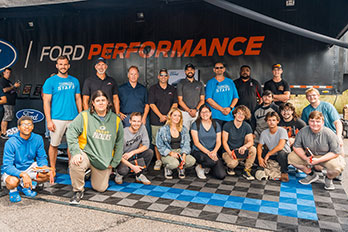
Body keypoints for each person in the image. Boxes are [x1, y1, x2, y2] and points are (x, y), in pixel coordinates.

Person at [66, 90, 123, 204]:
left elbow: (119, 142)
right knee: (75, 163)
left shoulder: (116, 120)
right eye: (98, 100)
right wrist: (76, 152)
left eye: (103, 100)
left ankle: (89, 173)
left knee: (100, 188)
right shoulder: (84, 115)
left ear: (108, 102)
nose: (101, 103)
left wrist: (115, 162)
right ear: (93, 103)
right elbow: (71, 131)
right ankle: (78, 190)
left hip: (102, 159)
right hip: (86, 153)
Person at [42, 55, 82, 174]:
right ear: (57, 65)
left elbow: (78, 99)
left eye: (65, 64)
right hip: (57, 119)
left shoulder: (75, 81)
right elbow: (46, 102)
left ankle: (72, 168)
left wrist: (80, 116)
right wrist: (49, 120)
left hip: (73, 119)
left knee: (72, 145)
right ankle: (53, 168)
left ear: (68, 65)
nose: (63, 66)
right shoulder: (50, 81)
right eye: (60, 64)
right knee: (54, 145)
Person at [288, 111, 345, 190]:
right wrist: (305, 158)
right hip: (310, 156)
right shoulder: (303, 131)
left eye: (318, 121)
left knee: (337, 167)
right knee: (291, 158)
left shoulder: (329, 133)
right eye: (312, 121)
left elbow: (335, 152)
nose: (315, 124)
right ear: (308, 121)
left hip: (326, 157)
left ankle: (328, 179)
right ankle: (311, 174)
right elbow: (296, 147)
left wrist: (319, 160)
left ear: (323, 122)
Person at [1, 116, 51, 203]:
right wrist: (23, 174)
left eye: (29, 124)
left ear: (32, 127)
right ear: (19, 127)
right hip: (13, 169)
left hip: (29, 167)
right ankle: (13, 190)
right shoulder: (11, 142)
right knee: (13, 182)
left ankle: (24, 186)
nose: (27, 127)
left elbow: (41, 157)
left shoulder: (38, 138)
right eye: (23, 125)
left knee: (48, 174)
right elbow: (7, 166)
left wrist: (43, 167)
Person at [148, 68, 178, 171]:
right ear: (158, 76)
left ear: (168, 77)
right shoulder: (153, 89)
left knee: (169, 141)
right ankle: (159, 160)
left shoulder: (173, 89)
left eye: (165, 75)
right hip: (156, 119)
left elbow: (175, 104)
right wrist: (161, 115)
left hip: (170, 120)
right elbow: (151, 104)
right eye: (161, 75)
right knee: (157, 141)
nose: (163, 77)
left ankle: (168, 160)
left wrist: (168, 116)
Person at [156, 108, 196, 179]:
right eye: (175, 115)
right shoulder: (162, 130)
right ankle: (168, 168)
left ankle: (181, 167)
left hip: (180, 151)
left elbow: (186, 143)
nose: (177, 118)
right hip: (168, 153)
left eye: (179, 116)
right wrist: (171, 153)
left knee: (192, 161)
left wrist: (183, 155)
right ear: (170, 116)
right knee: (174, 163)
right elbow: (160, 146)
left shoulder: (184, 129)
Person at [115, 112, 153, 185]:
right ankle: (119, 173)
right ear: (130, 121)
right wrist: (132, 166)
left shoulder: (142, 127)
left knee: (149, 152)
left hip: (133, 155)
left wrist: (132, 153)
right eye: (134, 121)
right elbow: (118, 155)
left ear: (141, 121)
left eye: (138, 121)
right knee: (123, 170)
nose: (136, 124)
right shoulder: (123, 134)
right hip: (123, 158)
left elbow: (146, 145)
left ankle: (139, 174)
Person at [191, 104, 226, 180]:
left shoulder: (216, 124)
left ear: (210, 113)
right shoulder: (195, 124)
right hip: (199, 151)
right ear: (199, 114)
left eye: (206, 112)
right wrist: (209, 153)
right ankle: (199, 167)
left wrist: (214, 152)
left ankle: (208, 167)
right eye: (202, 112)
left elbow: (219, 141)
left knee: (221, 175)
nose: (204, 114)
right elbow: (196, 143)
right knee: (212, 162)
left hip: (213, 151)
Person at [222, 105, 256, 180]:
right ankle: (230, 167)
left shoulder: (247, 126)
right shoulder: (227, 125)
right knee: (232, 164)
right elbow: (224, 142)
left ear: (245, 116)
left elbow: (251, 141)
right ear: (235, 114)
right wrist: (230, 153)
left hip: (241, 150)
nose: (241, 116)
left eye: (243, 114)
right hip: (229, 151)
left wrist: (244, 147)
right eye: (239, 113)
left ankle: (246, 170)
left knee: (253, 149)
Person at [257, 111, 291, 182]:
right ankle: (261, 167)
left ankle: (284, 171)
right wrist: (259, 157)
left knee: (281, 153)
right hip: (272, 155)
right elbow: (259, 146)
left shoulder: (282, 131)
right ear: (266, 121)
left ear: (277, 121)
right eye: (269, 120)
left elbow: (280, 147)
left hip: (284, 156)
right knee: (258, 153)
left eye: (273, 120)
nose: (271, 122)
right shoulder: (264, 133)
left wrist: (268, 154)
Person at [205, 62, 239, 128]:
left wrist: (230, 108)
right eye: (217, 68)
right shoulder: (210, 82)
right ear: (214, 70)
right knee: (217, 137)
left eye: (221, 67)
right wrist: (222, 109)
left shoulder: (230, 82)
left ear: (224, 69)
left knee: (229, 137)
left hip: (230, 115)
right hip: (216, 116)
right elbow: (208, 99)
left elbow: (236, 97)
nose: (219, 69)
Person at [177, 63, 205, 130]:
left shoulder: (199, 83)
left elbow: (202, 100)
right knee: (185, 133)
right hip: (184, 113)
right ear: (185, 72)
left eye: (191, 70)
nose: (190, 71)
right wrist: (189, 111)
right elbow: (180, 100)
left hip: (196, 113)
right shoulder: (181, 83)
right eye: (188, 70)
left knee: (196, 132)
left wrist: (195, 110)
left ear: (194, 71)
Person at [0, 67, 20, 139]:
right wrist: (14, 86)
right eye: (7, 72)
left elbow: (12, 90)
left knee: (7, 118)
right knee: (5, 118)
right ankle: (3, 133)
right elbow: (4, 90)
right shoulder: (2, 81)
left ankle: (3, 133)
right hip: (6, 102)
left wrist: (15, 88)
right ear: (3, 73)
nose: (8, 74)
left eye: (9, 73)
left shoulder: (9, 82)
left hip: (11, 102)